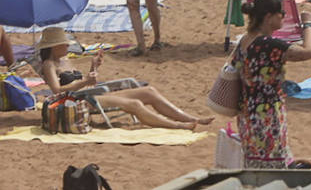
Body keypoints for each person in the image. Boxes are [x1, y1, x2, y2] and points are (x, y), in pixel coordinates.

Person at [33, 28, 207, 130]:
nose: (67, 46)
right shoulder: (49, 64)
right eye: (64, 44)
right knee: (135, 105)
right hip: (77, 101)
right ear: (53, 47)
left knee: (149, 91)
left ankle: (189, 118)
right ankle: (177, 126)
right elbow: (57, 92)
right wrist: (84, 81)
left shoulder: (65, 59)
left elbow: (88, 81)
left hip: (89, 94)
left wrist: (94, 67)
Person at [234, 0, 311, 168]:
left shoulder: (245, 41)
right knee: (272, 166)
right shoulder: (268, 44)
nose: (284, 16)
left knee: (256, 163)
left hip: (247, 112)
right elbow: (308, 52)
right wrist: (308, 25)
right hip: (267, 112)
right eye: (282, 12)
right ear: (268, 17)